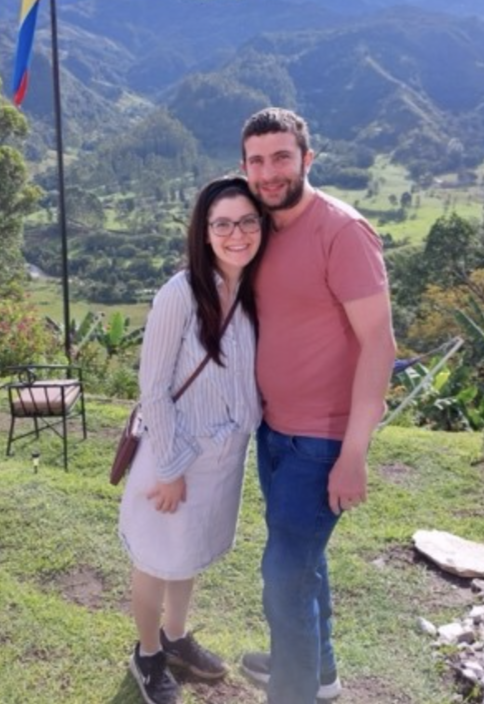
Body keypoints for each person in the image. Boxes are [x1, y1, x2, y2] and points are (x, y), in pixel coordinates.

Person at [238, 107, 396, 704]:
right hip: (274, 432)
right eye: (256, 161)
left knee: (283, 573)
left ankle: (294, 688)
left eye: (281, 157)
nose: (269, 172)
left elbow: (380, 343)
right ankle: (314, 670)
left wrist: (354, 454)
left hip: (322, 441)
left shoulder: (342, 231)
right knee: (302, 559)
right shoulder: (262, 227)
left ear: (307, 159)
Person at [119, 176, 267, 704]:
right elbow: (154, 388)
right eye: (222, 224)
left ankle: (176, 638)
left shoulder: (253, 292)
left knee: (188, 553)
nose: (236, 234)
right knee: (156, 557)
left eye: (247, 221)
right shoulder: (180, 294)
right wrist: (170, 468)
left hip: (223, 458)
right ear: (204, 232)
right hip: (174, 454)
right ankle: (147, 653)